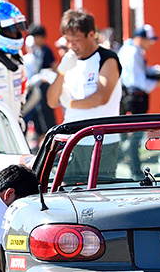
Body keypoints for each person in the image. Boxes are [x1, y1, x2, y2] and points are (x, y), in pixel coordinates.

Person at [46, 9, 122, 182]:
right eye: (68, 40)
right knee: (67, 191)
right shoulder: (69, 61)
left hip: (101, 141)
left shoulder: (107, 58)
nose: (72, 45)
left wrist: (70, 103)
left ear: (91, 34)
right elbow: (52, 101)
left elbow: (101, 97)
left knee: (100, 191)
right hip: (72, 140)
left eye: (76, 40)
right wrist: (61, 71)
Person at [22, 24, 57, 142]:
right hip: (34, 88)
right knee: (34, 114)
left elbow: (54, 66)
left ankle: (49, 137)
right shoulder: (34, 52)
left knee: (46, 114)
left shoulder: (46, 51)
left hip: (45, 88)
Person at [118, 24, 160, 116]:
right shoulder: (134, 52)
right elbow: (137, 81)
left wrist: (157, 70)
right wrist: (157, 83)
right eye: (150, 40)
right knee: (138, 124)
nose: (151, 44)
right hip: (135, 99)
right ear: (141, 39)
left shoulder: (126, 48)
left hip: (128, 96)